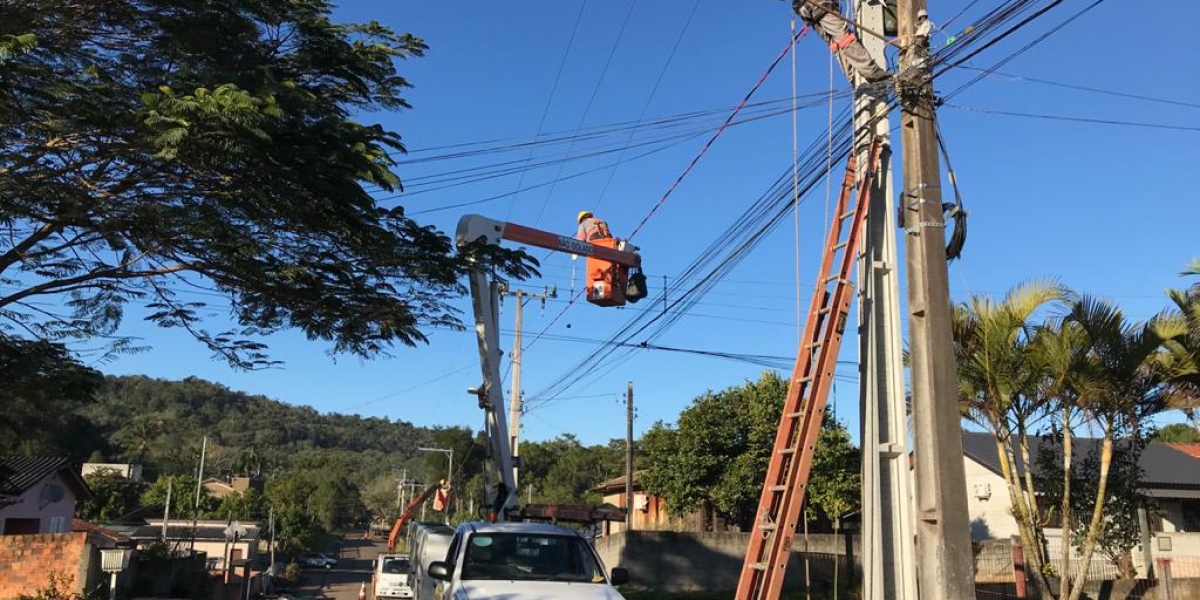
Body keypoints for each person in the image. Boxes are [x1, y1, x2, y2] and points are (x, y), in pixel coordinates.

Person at [791, 0, 890, 84]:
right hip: (818, 4)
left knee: (835, 44)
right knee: (844, 39)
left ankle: (853, 77)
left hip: (804, 8)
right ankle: (871, 72)